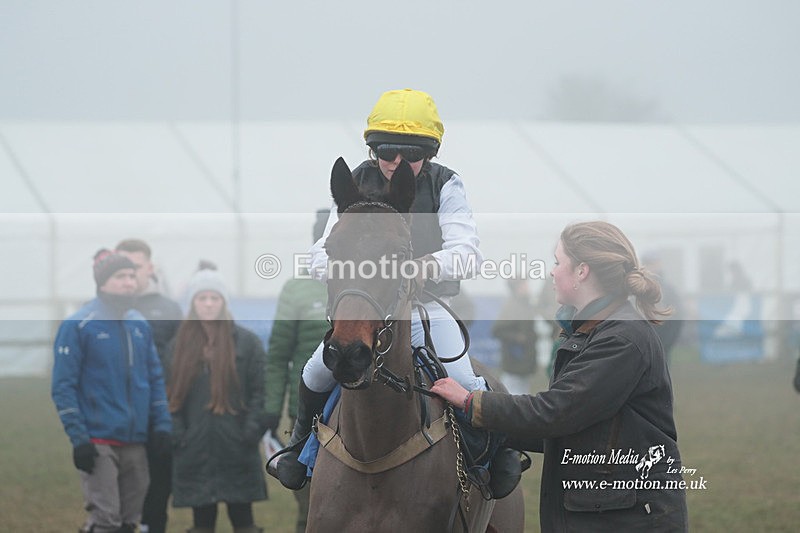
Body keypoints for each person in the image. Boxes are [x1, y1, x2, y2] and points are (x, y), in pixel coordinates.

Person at [275, 88, 525, 495]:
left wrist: (426, 266)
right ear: (373, 150)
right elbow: (320, 252)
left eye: (410, 154)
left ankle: (494, 453)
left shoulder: (447, 183)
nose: (396, 162)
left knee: (462, 375)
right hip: (368, 304)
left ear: (430, 152)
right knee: (315, 370)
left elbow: (467, 252)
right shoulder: (356, 179)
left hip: (425, 305)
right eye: (387, 151)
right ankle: (299, 445)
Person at [431, 221, 689, 531]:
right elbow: (568, 429)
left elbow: (556, 413)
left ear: (582, 271)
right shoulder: (594, 332)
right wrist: (481, 424)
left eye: (558, 262)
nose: (552, 272)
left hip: (626, 518)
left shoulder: (622, 339)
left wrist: (472, 402)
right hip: (605, 510)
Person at [52, 249, 172, 533]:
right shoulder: (78, 325)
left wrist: (163, 426)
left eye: (132, 275)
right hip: (98, 441)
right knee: (105, 521)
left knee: (131, 522)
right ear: (102, 282)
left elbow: (154, 380)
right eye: (120, 276)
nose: (129, 282)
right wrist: (79, 439)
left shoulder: (139, 325)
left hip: (136, 442)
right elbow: (62, 386)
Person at [166, 266, 268, 533]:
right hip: (195, 447)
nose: (209, 304)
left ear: (224, 302)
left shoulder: (247, 343)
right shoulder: (178, 346)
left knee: (243, 521)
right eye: (202, 298)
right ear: (193, 302)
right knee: (202, 523)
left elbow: (260, 392)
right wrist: (179, 435)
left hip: (237, 445)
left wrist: (251, 432)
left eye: (215, 298)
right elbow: (167, 396)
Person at [263, 210, 329, 533]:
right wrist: (271, 411)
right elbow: (278, 356)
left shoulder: (373, 282)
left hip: (361, 412)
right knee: (310, 506)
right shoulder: (297, 288)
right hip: (309, 415)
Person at [115, 238, 183, 533]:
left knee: (156, 494)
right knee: (116, 497)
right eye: (124, 267)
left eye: (136, 266)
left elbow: (181, 364)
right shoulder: (107, 309)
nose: (131, 274)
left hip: (159, 417)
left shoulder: (168, 308)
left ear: (150, 268)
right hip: (116, 418)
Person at [492, 279, 538, 394]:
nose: (528, 287)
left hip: (525, 360)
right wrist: (517, 337)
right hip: (514, 359)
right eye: (524, 285)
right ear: (517, 287)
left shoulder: (525, 304)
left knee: (522, 394)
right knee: (509, 393)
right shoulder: (511, 306)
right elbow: (497, 331)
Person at [642, 252, 684, 365]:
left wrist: (665, 344)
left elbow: (677, 317)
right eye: (647, 263)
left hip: (661, 345)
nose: (650, 267)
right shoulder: (634, 290)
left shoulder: (668, 291)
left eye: (653, 263)